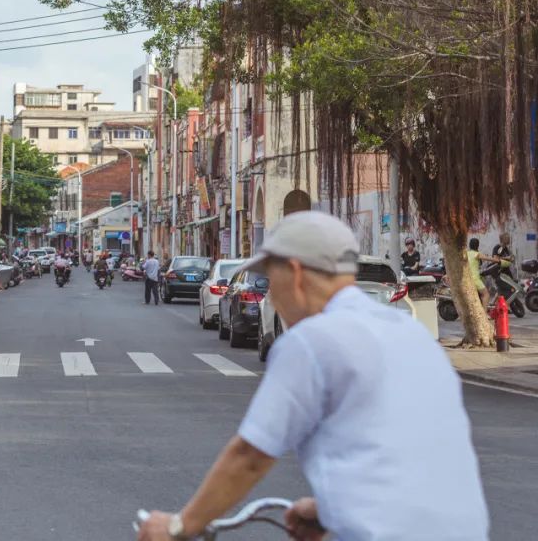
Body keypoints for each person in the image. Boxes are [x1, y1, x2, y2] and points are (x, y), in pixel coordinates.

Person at [137, 211, 487, 541]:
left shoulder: (312, 341)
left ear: (296, 273)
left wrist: (179, 526)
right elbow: (407, 452)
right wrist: (326, 510)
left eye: (270, 280)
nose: (271, 292)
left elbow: (249, 457)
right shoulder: (410, 334)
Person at [467, 237, 497, 307]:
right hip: (474, 279)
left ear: (470, 245)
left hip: (467, 278)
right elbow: (490, 259)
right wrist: (498, 260)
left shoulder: (466, 253)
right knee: (486, 295)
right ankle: (484, 314)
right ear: (477, 245)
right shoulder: (477, 254)